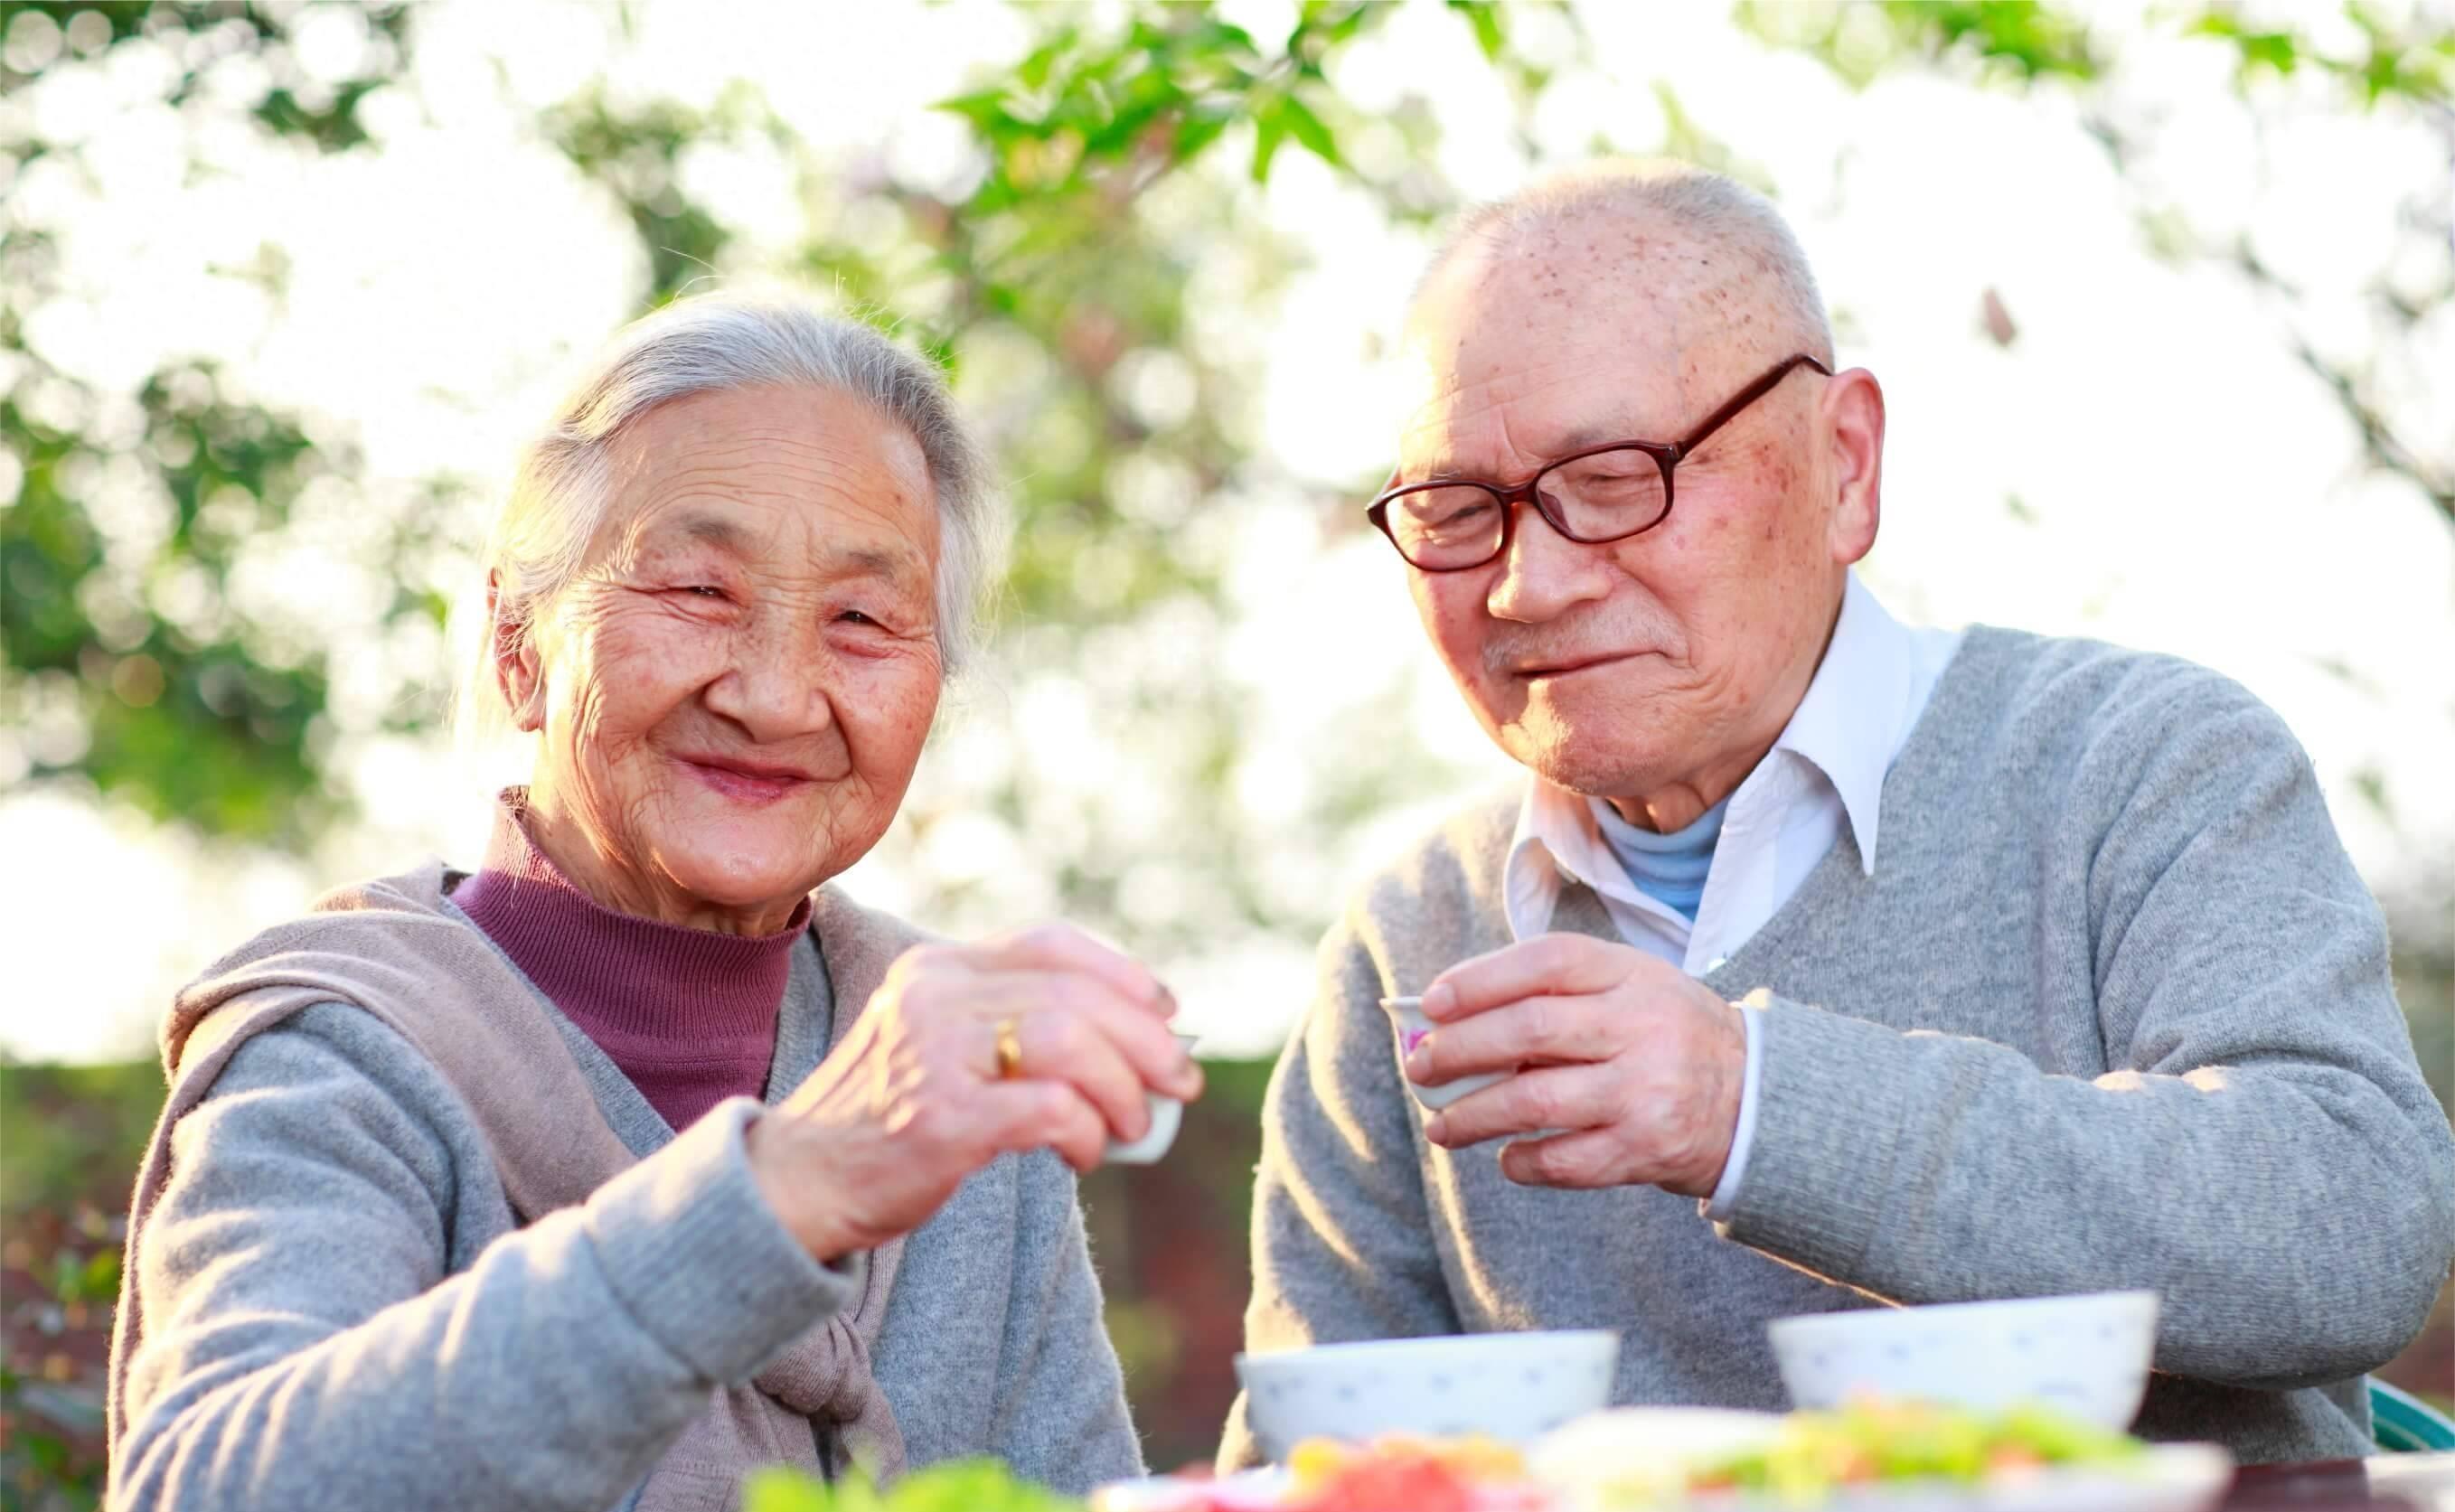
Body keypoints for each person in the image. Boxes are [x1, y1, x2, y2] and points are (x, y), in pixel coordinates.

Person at [1224, 160, 2455, 1467]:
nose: (1528, 585)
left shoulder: (2142, 764)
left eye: (1615, 477)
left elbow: (2353, 1221)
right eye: (1461, 510)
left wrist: (1749, 1101)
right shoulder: (1415, 934)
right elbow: (1323, 1469)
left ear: (1845, 464)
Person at [108, 294, 1202, 1510]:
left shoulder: (951, 1059)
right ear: (521, 647)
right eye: (696, 590)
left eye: (861, 618)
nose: (779, 695)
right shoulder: (349, 1049)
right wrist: (781, 1188)